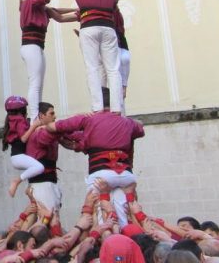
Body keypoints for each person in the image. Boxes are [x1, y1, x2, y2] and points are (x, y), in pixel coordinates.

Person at [43, 91, 144, 226]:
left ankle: (106, 239)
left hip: (101, 174)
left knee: (99, 217)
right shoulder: (127, 122)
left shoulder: (88, 119)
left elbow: (52, 127)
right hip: (126, 176)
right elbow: (140, 127)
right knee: (123, 218)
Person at [38, 0, 125, 113]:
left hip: (88, 27)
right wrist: (113, 3)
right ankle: (116, 107)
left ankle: (97, 107)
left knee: (92, 68)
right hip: (107, 27)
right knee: (113, 69)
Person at [19, 0, 78, 120]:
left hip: (37, 46)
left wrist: (77, 10)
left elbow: (57, 12)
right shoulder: (29, 1)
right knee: (35, 83)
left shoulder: (41, 8)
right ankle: (34, 118)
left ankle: (37, 115)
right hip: (31, 45)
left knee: (39, 83)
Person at [4, 99, 57, 197]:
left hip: (17, 157)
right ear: (22, 110)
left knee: (36, 168)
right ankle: (17, 181)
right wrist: (35, 126)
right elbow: (24, 138)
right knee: (39, 167)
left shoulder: (13, 121)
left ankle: (28, 188)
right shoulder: (19, 120)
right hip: (18, 157)